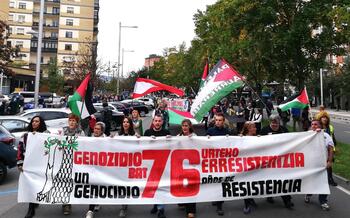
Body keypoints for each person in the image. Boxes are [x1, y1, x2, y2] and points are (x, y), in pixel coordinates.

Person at [17, 116, 49, 218]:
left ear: (41, 123)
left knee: (40, 185)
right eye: (33, 121)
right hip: (29, 165)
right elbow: (20, 150)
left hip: (41, 165)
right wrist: (20, 163)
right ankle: (31, 209)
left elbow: (49, 148)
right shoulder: (25, 136)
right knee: (30, 186)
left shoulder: (46, 134)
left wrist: (39, 137)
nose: (34, 123)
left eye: (37, 121)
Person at [260, 114, 294, 209]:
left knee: (282, 180)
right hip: (268, 160)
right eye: (273, 122)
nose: (274, 124)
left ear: (279, 122)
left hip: (281, 160)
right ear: (270, 122)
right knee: (270, 180)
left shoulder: (284, 130)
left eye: (276, 122)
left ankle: (287, 200)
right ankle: (269, 195)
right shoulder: (264, 130)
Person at [144, 114, 171, 218]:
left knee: (161, 186)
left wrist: (170, 139)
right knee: (153, 186)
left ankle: (161, 209)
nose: (157, 123)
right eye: (156, 121)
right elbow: (142, 146)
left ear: (162, 122)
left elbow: (171, 147)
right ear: (153, 121)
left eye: (159, 121)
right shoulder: (147, 132)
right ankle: (156, 205)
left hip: (162, 164)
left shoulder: (166, 133)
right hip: (150, 164)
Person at [304, 120, 334, 210]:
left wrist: (329, 161)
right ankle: (308, 194)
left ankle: (323, 201)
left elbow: (330, 149)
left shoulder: (326, 136)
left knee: (324, 182)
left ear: (320, 126)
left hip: (323, 164)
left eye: (316, 124)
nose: (313, 125)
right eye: (312, 124)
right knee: (312, 181)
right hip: (311, 164)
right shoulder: (307, 134)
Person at [59, 113, 85, 215]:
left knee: (74, 183)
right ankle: (66, 204)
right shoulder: (63, 131)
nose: (72, 122)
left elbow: (84, 145)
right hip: (65, 160)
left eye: (74, 121)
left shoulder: (80, 132)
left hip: (76, 161)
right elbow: (59, 143)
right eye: (70, 120)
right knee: (65, 183)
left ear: (77, 122)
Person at [206, 113, 230, 216]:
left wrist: (230, 138)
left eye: (220, 120)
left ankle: (219, 205)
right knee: (214, 182)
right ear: (214, 121)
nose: (218, 122)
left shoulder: (227, 132)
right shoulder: (210, 131)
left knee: (222, 183)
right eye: (217, 120)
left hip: (223, 162)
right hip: (213, 161)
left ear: (223, 121)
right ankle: (215, 198)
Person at [177, 119, 197, 218]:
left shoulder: (195, 137)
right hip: (181, 167)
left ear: (190, 127)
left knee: (191, 187)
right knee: (182, 186)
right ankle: (183, 202)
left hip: (192, 167)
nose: (184, 127)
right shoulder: (178, 137)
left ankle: (191, 210)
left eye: (186, 125)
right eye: (183, 125)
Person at [85, 122, 105, 218]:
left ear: (102, 131)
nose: (95, 130)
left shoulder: (106, 140)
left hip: (103, 168)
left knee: (99, 187)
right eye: (95, 128)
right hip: (92, 168)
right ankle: (90, 210)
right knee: (93, 187)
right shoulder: (90, 140)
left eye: (98, 129)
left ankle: (96, 202)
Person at [240, 122, 258, 214]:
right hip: (246, 166)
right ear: (249, 129)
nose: (255, 128)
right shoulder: (241, 139)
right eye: (254, 127)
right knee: (246, 185)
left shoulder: (257, 138)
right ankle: (246, 204)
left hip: (255, 165)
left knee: (253, 184)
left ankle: (251, 199)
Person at [318, 113, 338, 186]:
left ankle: (330, 179)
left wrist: (334, 147)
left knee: (329, 165)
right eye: (323, 117)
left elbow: (332, 137)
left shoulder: (330, 127)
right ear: (320, 119)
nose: (324, 119)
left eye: (326, 117)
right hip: (320, 150)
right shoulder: (317, 127)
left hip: (329, 149)